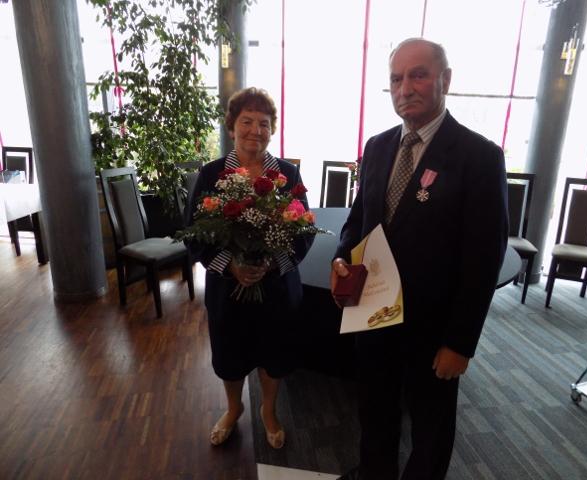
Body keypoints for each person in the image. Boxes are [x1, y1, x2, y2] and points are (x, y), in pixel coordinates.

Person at [331, 39, 508, 479]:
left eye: (418, 75)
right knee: (375, 412)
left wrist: (460, 342)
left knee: (431, 428)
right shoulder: (377, 147)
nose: (405, 88)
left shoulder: (479, 156)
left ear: (445, 79)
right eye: (396, 79)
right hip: (373, 314)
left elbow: (484, 257)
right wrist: (341, 260)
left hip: (434, 330)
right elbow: (359, 220)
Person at [185, 87, 313, 449]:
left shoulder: (287, 174)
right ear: (231, 127)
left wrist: (271, 262)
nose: (255, 130)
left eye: (264, 123)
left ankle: (268, 410)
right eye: (247, 121)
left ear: (272, 130)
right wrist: (232, 266)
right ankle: (233, 408)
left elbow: (304, 230)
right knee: (230, 353)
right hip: (228, 289)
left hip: (277, 288)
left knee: (274, 354)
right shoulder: (211, 174)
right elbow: (193, 233)